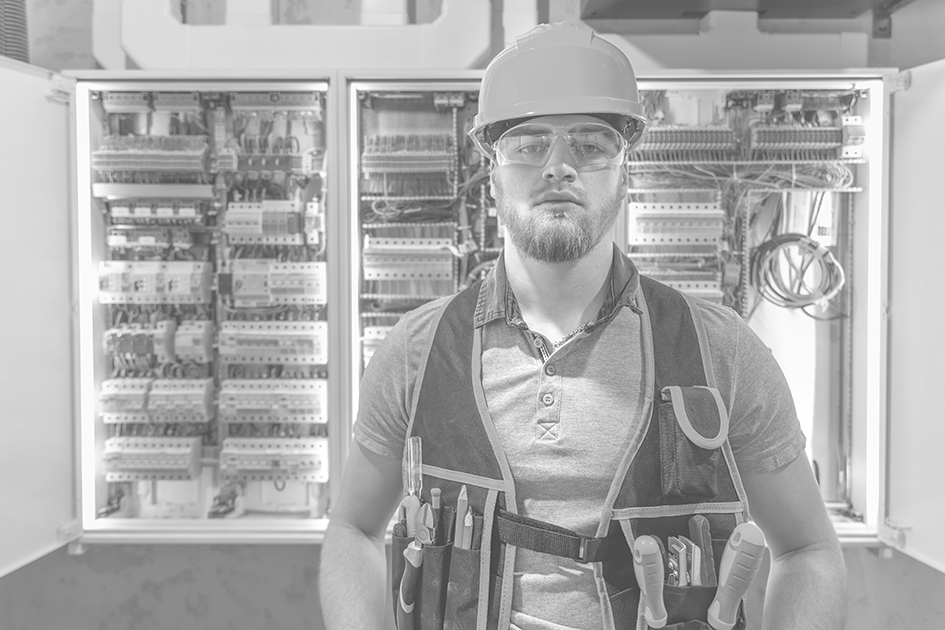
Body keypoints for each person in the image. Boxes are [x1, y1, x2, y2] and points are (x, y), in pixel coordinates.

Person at [321, 21, 847, 630]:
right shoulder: (415, 351)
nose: (559, 167)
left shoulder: (720, 351)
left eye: (591, 144)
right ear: (491, 176)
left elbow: (808, 549)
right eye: (528, 143)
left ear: (624, 174)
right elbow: (354, 529)